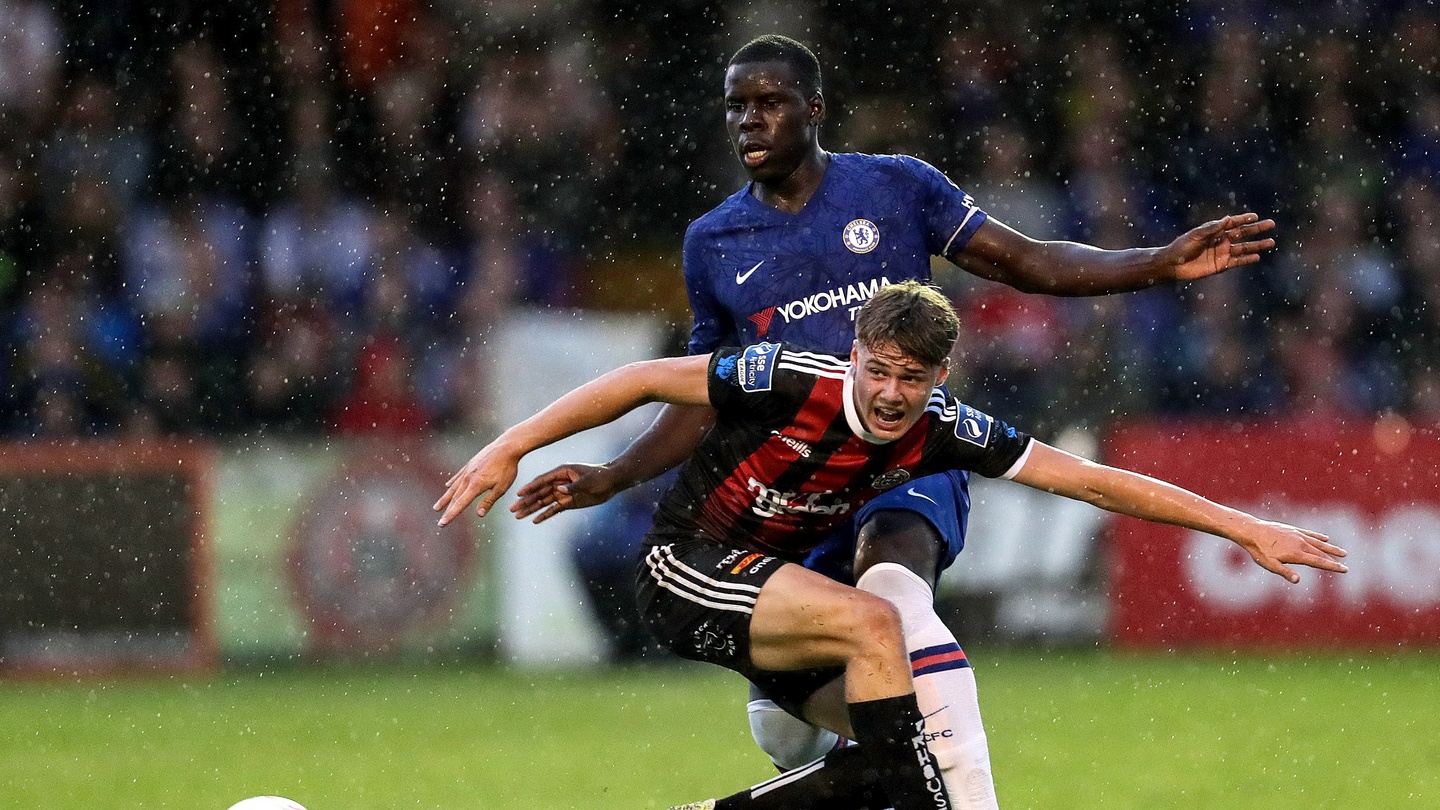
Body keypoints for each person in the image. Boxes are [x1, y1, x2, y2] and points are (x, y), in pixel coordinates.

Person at [511, 34, 1283, 808]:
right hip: (798, 484)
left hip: (907, 461)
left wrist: (1151, 264)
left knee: (898, 604)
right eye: (736, 107)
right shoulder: (713, 241)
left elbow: (1027, 260)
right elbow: (700, 397)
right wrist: (616, 475)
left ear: (816, 110)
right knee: (803, 735)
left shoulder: (895, 187)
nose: (750, 121)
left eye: (770, 103)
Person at [435, 281, 1347, 810]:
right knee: (881, 630)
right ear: (856, 350)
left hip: (764, 591)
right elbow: (639, 379)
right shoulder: (788, 376)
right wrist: (511, 446)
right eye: (878, 370)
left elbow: (1097, 483)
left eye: (913, 379)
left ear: (940, 375)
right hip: (682, 570)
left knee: (906, 773)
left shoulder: (944, 427)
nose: (889, 395)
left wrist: (1243, 525)